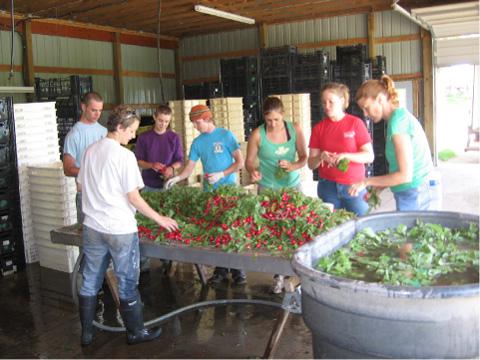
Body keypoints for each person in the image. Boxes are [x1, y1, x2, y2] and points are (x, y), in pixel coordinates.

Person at [76, 105, 178, 346]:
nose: (134, 135)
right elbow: (133, 197)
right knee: (127, 279)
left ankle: (87, 333)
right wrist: (159, 218)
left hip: (93, 227)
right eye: (131, 131)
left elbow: (80, 186)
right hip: (120, 228)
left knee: (90, 279)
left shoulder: (91, 151)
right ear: (119, 128)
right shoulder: (124, 156)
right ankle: (135, 332)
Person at [164, 104, 246, 285]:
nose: (195, 126)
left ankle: (239, 271)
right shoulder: (198, 142)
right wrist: (177, 179)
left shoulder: (226, 136)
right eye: (193, 123)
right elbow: (189, 168)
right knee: (216, 231)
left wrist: (222, 174)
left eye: (197, 122)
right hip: (210, 194)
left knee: (232, 229)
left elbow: (240, 162)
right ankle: (221, 271)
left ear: (208, 118)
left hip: (229, 192)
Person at [245, 96, 307, 294]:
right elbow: (249, 161)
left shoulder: (294, 129)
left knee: (296, 227)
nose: (272, 124)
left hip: (292, 186)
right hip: (268, 188)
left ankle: (296, 272)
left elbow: (304, 157)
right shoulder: (257, 134)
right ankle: (277, 274)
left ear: (283, 116)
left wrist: (293, 166)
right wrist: (253, 171)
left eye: (276, 120)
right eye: (269, 120)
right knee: (273, 231)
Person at [349, 75, 433, 211]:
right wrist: (378, 188)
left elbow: (404, 175)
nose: (365, 114)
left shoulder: (397, 123)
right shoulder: (396, 119)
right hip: (410, 191)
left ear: (380, 100)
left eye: (366, 108)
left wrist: (366, 181)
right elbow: (397, 169)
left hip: (415, 192)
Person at [308, 82, 374, 216]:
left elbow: (369, 156)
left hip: (354, 187)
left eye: (331, 102)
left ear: (342, 101)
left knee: (362, 226)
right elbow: (310, 164)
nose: (326, 106)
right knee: (332, 229)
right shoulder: (318, 129)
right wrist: (321, 157)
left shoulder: (355, 123)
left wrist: (346, 156)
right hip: (327, 188)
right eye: (324, 102)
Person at [63, 91, 107, 224]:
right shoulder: (74, 135)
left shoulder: (104, 131)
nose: (97, 114)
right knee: (86, 240)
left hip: (105, 192)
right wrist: (91, 171)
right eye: (94, 110)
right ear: (83, 107)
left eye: (100, 110)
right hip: (85, 195)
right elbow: (68, 169)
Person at [135, 105, 184, 191]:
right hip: (149, 185)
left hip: (169, 183)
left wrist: (171, 168)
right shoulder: (143, 137)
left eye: (166, 121)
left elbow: (180, 160)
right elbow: (139, 162)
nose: (163, 124)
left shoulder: (174, 137)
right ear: (154, 117)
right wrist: (152, 165)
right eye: (160, 121)